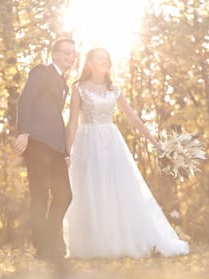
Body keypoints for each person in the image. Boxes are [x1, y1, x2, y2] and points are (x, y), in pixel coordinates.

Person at [64, 47, 189, 258]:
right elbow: (73, 121)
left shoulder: (115, 90)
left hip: (112, 143)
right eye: (99, 58)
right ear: (90, 64)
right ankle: (93, 243)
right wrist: (67, 151)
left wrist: (156, 143)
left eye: (106, 58)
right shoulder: (78, 88)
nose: (104, 61)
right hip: (87, 143)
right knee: (90, 191)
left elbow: (134, 119)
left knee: (118, 189)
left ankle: (126, 240)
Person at [13, 38, 77, 265]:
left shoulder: (65, 84)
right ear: (55, 55)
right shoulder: (41, 72)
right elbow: (26, 99)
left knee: (65, 195)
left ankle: (50, 240)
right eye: (67, 53)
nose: (71, 57)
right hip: (38, 142)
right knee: (39, 194)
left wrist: (66, 151)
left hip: (56, 147)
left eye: (73, 54)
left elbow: (56, 118)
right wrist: (24, 132)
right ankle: (43, 248)